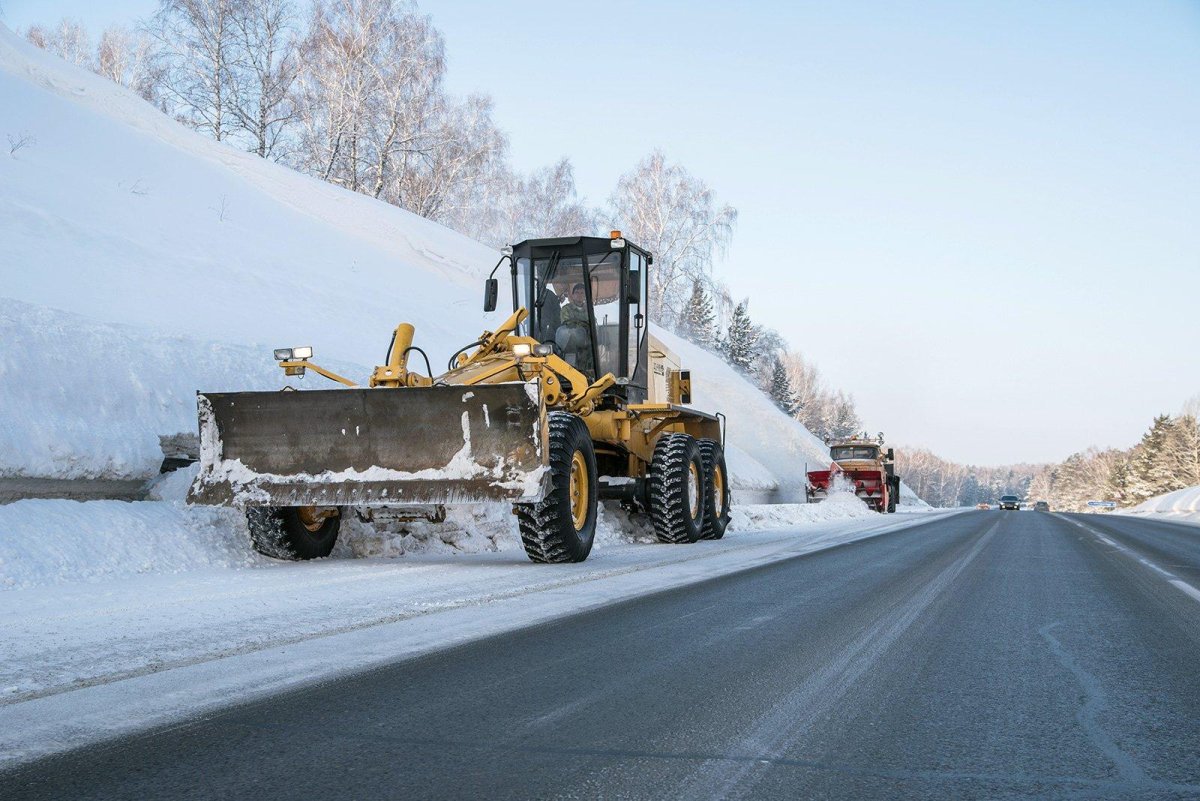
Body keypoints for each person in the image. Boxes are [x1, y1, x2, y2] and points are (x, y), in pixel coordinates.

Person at [556, 282, 594, 376]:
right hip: (570, 341)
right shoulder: (566, 309)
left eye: (582, 293)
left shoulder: (589, 310)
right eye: (577, 292)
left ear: (585, 295)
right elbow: (567, 323)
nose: (579, 295)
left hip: (587, 341)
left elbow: (593, 323)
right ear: (572, 295)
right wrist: (584, 324)